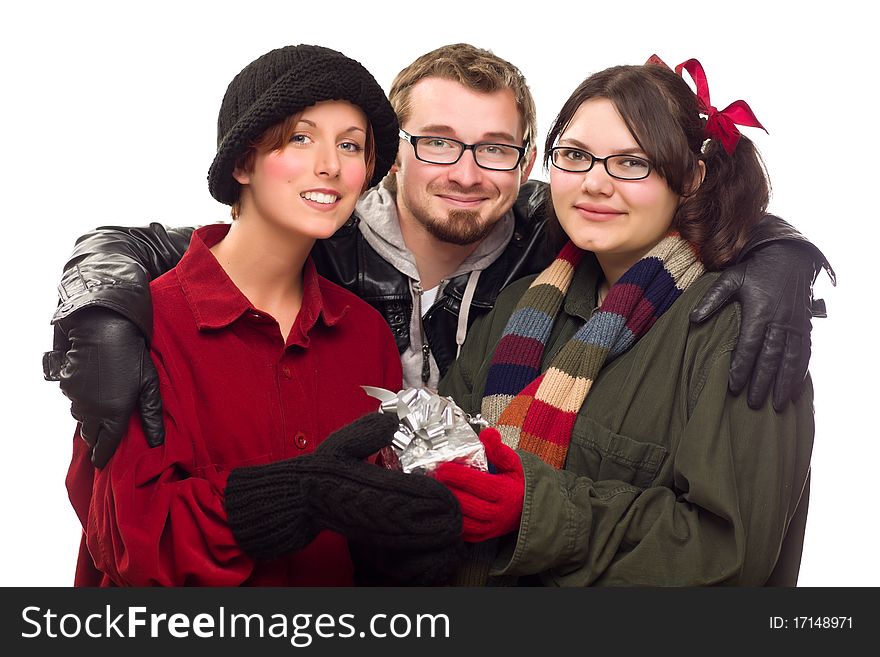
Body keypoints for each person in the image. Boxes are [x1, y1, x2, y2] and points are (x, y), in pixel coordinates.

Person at [43, 44, 832, 468]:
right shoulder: (323, 228)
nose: (464, 171)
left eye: (495, 148)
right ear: (392, 154)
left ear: (528, 162)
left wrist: (779, 254)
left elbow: (666, 196)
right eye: (437, 142)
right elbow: (142, 246)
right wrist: (98, 307)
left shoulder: (552, 230)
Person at [65, 44, 463, 586]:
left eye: (351, 146)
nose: (331, 165)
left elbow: (361, 534)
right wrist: (296, 496)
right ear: (241, 161)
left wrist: (407, 544)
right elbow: (130, 542)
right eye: (301, 138)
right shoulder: (147, 323)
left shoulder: (364, 332)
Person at [434, 56, 816, 586]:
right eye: (575, 156)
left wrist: (536, 512)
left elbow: (728, 558)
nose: (594, 184)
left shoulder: (734, 327)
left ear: (692, 176)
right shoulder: (518, 304)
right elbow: (439, 450)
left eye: (632, 162)